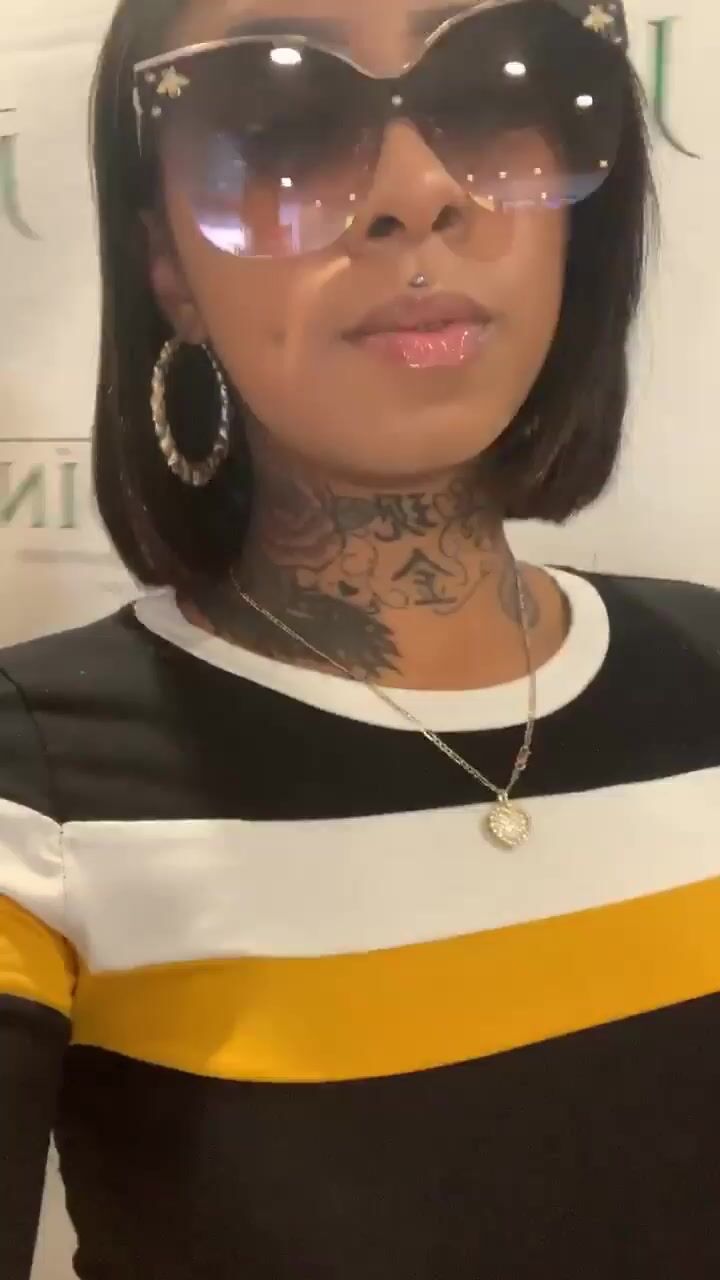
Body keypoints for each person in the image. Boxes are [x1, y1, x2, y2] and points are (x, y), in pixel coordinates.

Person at [1, 0, 719, 1276]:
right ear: (167, 262)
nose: (416, 190)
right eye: (277, 120)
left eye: (497, 89)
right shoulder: (36, 790)